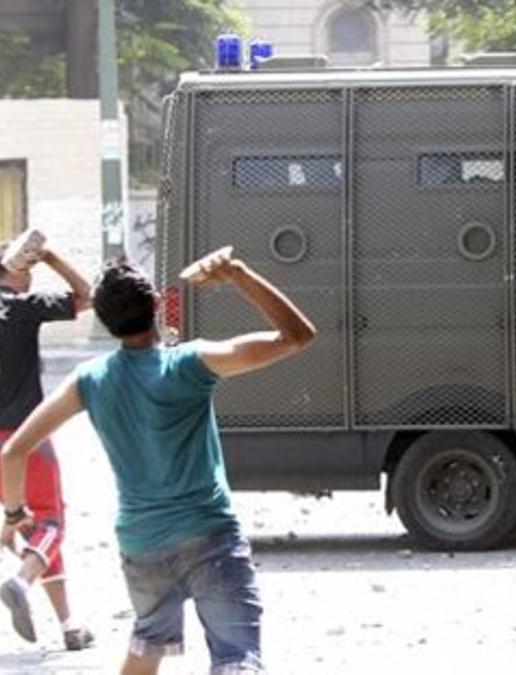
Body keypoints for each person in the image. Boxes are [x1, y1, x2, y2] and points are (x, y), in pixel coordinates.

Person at [1, 249, 316, 673]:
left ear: (105, 321)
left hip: (142, 544)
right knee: (236, 656)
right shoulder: (191, 362)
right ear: (155, 306)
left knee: (149, 644)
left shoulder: (90, 380)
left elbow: (14, 452)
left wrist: (16, 512)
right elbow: (296, 336)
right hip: (211, 535)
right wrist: (239, 274)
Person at [0, 241, 95, 650]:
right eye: (28, 267)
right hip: (23, 436)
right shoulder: (23, 307)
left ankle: (70, 625)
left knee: (33, 527)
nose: (31, 275)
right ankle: (20, 581)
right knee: (51, 521)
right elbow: (88, 295)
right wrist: (53, 256)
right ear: (12, 270)